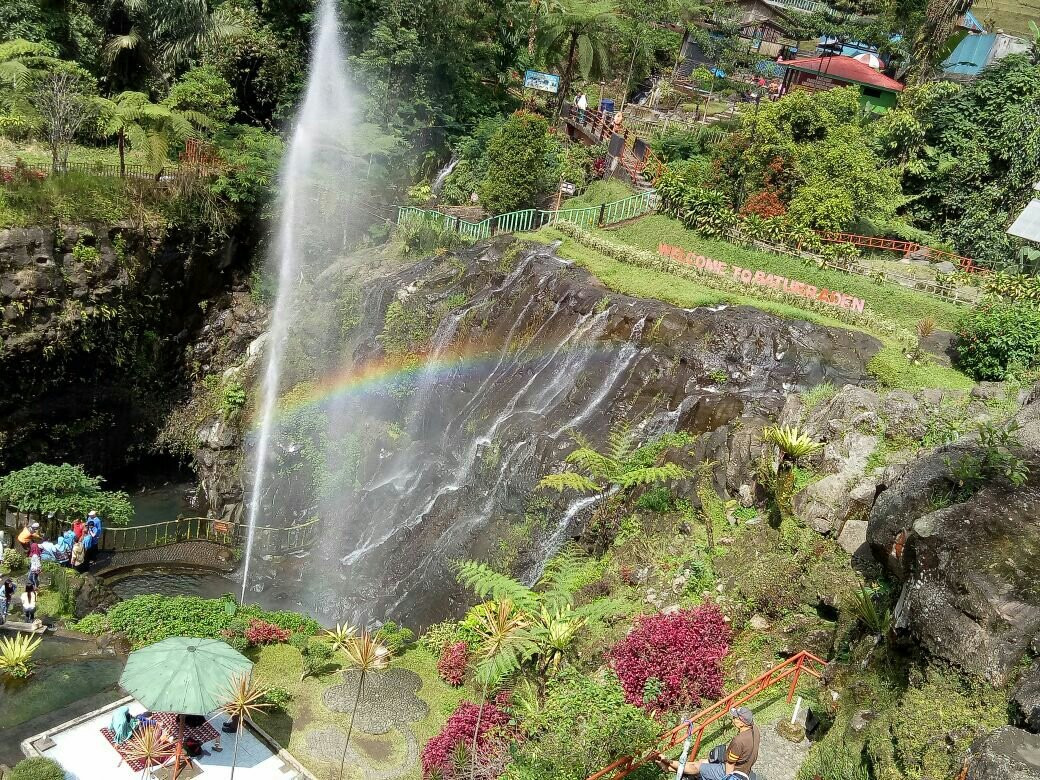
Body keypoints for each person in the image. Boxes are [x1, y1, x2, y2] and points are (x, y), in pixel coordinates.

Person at [656, 707, 760, 779]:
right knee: (701, 761)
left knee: (696, 767)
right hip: (744, 767)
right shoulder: (755, 730)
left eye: (735, 717)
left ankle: (667, 761)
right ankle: (669, 768)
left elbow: (730, 765)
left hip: (733, 771)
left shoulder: (739, 740)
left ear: (742, 723)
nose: (733, 719)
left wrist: (727, 778)